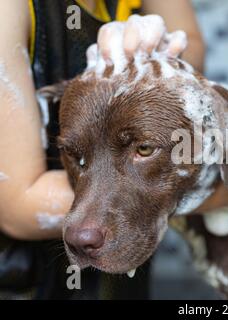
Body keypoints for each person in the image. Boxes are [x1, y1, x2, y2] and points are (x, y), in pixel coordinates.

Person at [0, 0, 205, 298]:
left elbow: (190, 39)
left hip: (123, 265)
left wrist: (163, 58)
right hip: (24, 278)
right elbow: (18, 206)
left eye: (144, 148)